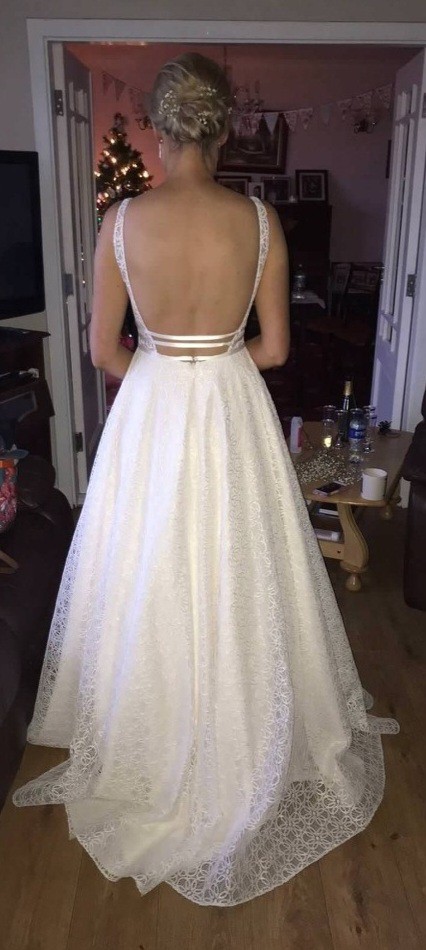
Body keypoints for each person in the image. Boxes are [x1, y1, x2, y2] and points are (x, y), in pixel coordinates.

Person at [13, 52, 399, 907]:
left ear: (158, 127)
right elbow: (276, 349)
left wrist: (163, 378)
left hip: (150, 414)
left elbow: (103, 350)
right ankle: (244, 718)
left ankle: (148, 725)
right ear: (224, 128)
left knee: (145, 565)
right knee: (239, 562)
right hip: (231, 407)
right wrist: (211, 370)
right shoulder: (259, 220)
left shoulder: (121, 221)